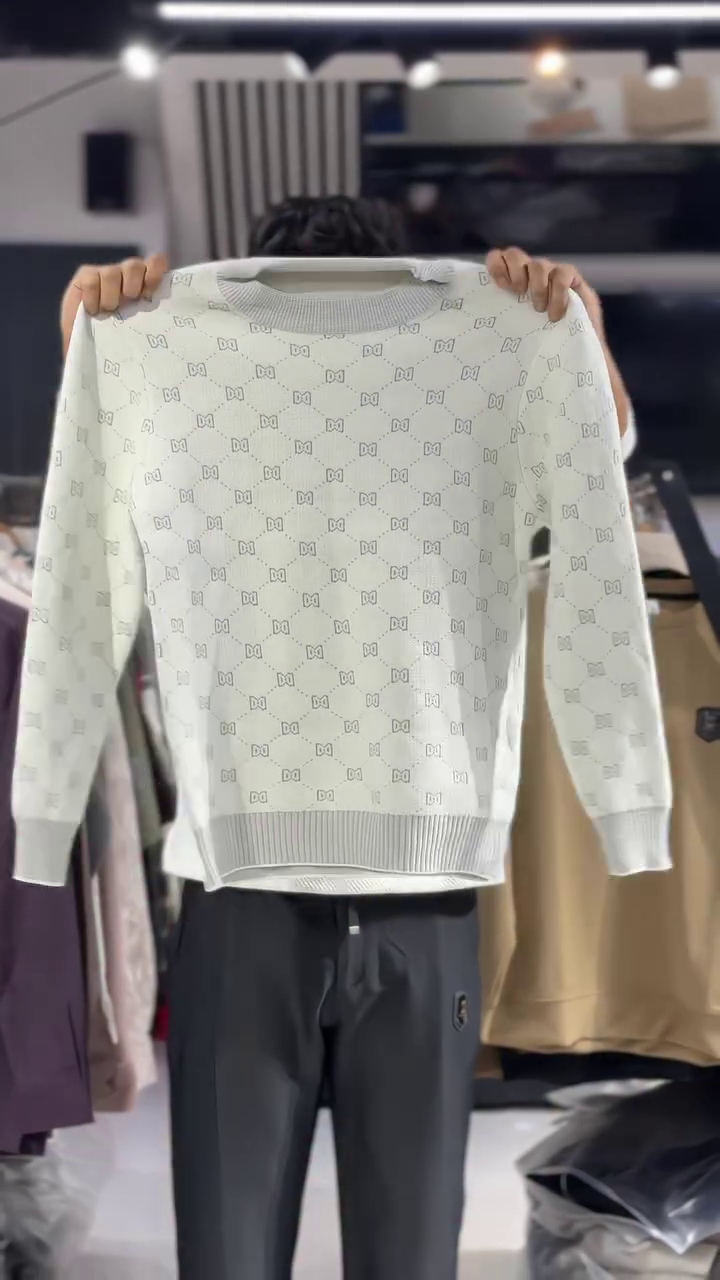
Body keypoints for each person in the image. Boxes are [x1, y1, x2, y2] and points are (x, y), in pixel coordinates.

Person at [26, 196, 663, 1280]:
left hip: (306, 896)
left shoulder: (501, 348)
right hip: (347, 894)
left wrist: (570, 343)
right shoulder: (158, 350)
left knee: (269, 1251)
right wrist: (101, 352)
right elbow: (82, 577)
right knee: (375, 1252)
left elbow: (595, 514)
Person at [59, 205, 631, 436]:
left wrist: (577, 327)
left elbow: (601, 447)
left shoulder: (464, 365)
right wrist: (92, 329)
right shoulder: (206, 369)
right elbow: (109, 449)